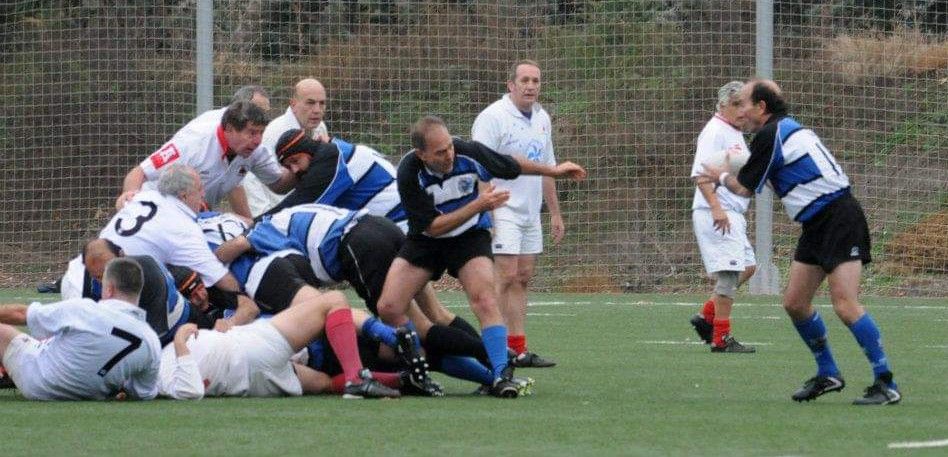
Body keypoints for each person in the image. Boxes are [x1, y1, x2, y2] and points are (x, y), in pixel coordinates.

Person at [699, 79, 900, 405]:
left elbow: (744, 188)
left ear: (761, 108)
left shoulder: (771, 134)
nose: (742, 110)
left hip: (839, 217)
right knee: (795, 302)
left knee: (845, 305)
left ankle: (885, 382)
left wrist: (717, 174)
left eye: (745, 103)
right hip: (816, 223)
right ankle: (829, 373)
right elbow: (756, 168)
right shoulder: (780, 130)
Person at [375, 115, 586, 398]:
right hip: (427, 239)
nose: (449, 154)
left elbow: (510, 163)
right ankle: (444, 362)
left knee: (484, 299)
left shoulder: (467, 152)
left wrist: (553, 171)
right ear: (421, 154)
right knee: (389, 307)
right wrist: (478, 205)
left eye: (449, 146)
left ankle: (501, 375)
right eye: (439, 151)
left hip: (469, 238)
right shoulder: (409, 172)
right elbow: (433, 228)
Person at [471, 59, 562, 368]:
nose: (530, 86)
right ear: (510, 85)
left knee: (522, 277)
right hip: (502, 207)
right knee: (505, 275)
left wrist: (554, 213)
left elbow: (548, 168)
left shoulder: (542, 118)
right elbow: (479, 165)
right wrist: (487, 210)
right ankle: (491, 348)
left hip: (529, 211)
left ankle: (517, 348)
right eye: (524, 80)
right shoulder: (492, 117)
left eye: (535, 81)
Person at [158, 291, 401, 400]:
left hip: (250, 384)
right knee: (334, 300)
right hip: (250, 348)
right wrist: (180, 342)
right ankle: (388, 343)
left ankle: (403, 379)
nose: (199, 295)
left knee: (325, 383)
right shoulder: (167, 365)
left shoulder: (153, 382)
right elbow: (191, 392)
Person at [0, 258, 161, 400]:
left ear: (110, 288)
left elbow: (20, 314)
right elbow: (144, 392)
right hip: (92, 393)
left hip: (39, 381)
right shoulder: (152, 341)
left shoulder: (85, 310)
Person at [115, 100, 297, 219]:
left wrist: (306, 163)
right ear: (229, 129)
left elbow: (279, 184)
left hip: (195, 218)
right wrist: (129, 198)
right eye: (251, 133)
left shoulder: (256, 149)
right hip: (154, 214)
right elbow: (138, 173)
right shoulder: (193, 143)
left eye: (261, 133)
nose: (257, 140)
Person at [687, 81, 757, 353]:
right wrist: (716, 207)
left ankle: (706, 316)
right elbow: (701, 174)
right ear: (723, 106)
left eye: (745, 104)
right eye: (736, 105)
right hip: (716, 212)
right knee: (728, 274)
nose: (743, 110)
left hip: (733, 212)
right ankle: (721, 337)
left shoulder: (734, 132)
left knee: (748, 267)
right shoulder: (714, 131)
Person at [245, 78, 331, 217]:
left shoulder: (320, 128)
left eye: (322, 103)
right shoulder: (274, 133)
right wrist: (263, 217)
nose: (317, 110)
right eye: (310, 103)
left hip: (309, 212)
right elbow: (251, 177)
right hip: (278, 216)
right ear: (293, 104)